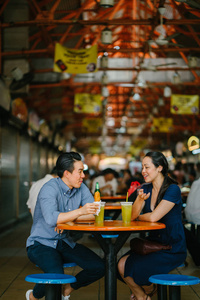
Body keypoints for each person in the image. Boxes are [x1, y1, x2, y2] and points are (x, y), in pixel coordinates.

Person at [26, 152, 105, 300]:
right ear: (67, 173)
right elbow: (51, 219)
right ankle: (33, 296)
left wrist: (69, 221)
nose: (83, 176)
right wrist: (80, 212)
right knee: (56, 274)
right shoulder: (49, 188)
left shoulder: (80, 188)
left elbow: (95, 212)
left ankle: (67, 289)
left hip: (64, 242)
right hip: (40, 243)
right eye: (80, 172)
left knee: (99, 267)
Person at [118, 151, 187, 300]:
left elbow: (155, 217)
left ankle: (145, 292)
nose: (143, 171)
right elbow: (130, 217)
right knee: (120, 265)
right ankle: (144, 295)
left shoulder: (172, 189)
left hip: (171, 246)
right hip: (153, 243)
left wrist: (141, 217)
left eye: (147, 167)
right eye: (142, 167)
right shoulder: (146, 188)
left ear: (159, 168)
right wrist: (138, 201)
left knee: (133, 267)